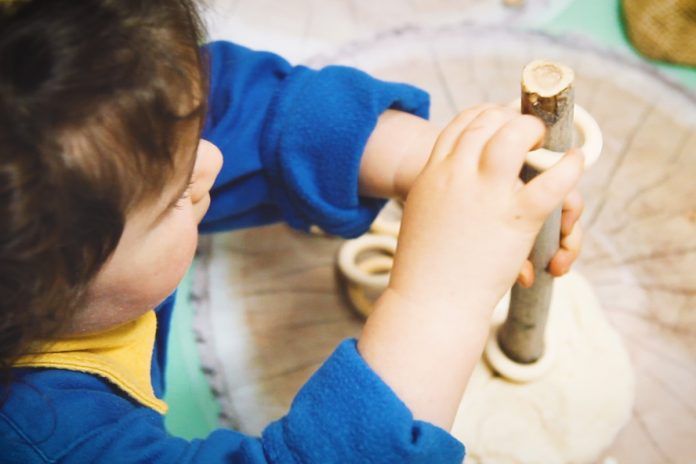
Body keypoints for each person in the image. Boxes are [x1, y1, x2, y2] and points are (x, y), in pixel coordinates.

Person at [0, 0, 583, 462]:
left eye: (195, 131)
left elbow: (236, 104)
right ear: (43, 298)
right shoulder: (41, 436)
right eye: (177, 193)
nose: (212, 161)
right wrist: (443, 296)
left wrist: (417, 162)